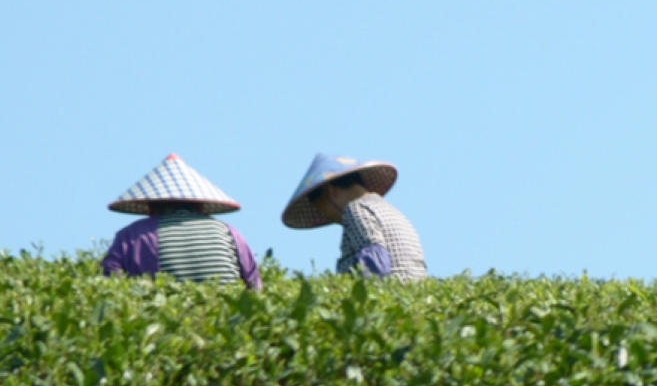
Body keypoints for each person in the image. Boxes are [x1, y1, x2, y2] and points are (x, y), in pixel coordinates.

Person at [99, 154, 262, 288]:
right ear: (201, 204)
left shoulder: (131, 236)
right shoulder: (230, 233)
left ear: (151, 205)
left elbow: (111, 283)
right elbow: (254, 287)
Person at [284, 153, 428, 280]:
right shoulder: (387, 209)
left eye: (321, 207)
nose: (327, 215)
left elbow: (376, 265)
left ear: (330, 191)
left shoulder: (357, 209)